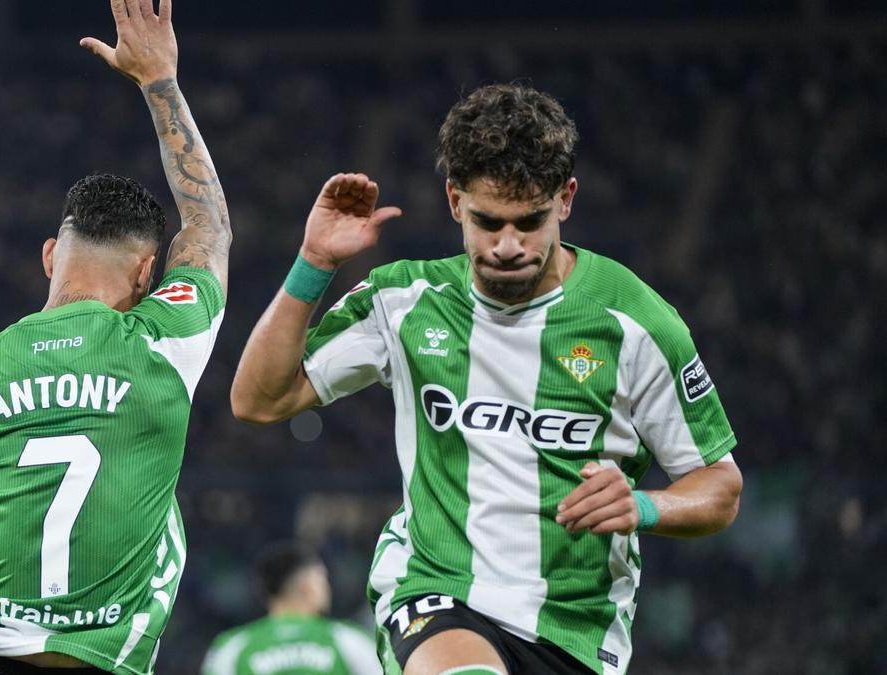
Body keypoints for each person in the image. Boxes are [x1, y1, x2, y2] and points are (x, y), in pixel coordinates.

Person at [230, 83, 742, 675]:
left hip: (576, 629)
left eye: (530, 222)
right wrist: (314, 264)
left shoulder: (636, 324)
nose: (506, 246)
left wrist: (645, 506)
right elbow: (258, 399)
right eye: (487, 221)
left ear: (566, 200)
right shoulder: (408, 300)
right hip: (436, 592)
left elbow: (720, 488)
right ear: (454, 201)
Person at [0, 1, 231, 672]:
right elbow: (207, 228)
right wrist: (160, 82)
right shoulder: (164, 339)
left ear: (52, 255)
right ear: (147, 274)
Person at [201, 543, 379, 675]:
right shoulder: (349, 641)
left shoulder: (233, 646)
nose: (328, 587)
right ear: (308, 585)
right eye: (322, 578)